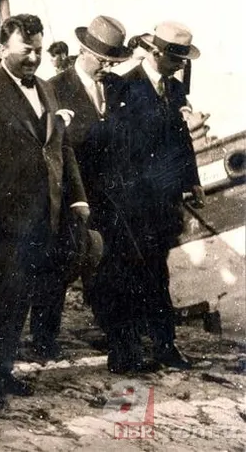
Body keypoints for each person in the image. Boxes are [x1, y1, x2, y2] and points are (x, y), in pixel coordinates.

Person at [0, 13, 88, 410]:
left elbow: (61, 148)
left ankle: (5, 371)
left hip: (46, 214)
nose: (34, 58)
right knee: (4, 295)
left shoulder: (45, 89)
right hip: (1, 216)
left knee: (23, 295)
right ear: (2, 49)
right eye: (26, 50)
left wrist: (78, 198)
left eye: (39, 50)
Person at [94, 21, 205, 373]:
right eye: (175, 58)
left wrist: (194, 181)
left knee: (157, 274)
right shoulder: (121, 86)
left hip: (162, 202)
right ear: (156, 52)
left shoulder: (174, 90)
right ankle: (123, 350)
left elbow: (182, 141)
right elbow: (114, 148)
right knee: (124, 274)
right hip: (128, 204)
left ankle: (164, 345)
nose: (180, 65)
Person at [46, 15, 133, 364]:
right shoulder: (54, 88)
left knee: (110, 264)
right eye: (102, 60)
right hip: (71, 196)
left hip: (111, 195)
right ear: (82, 50)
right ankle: (45, 336)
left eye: (113, 62)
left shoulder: (116, 88)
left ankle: (114, 337)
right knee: (61, 267)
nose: (107, 68)